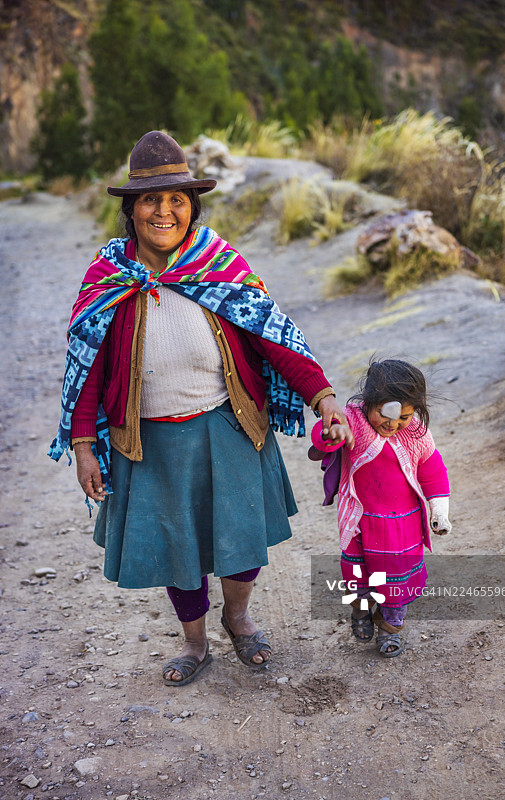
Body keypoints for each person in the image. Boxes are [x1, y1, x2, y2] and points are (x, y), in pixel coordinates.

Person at [49, 130, 353, 686]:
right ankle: (195, 643)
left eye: (177, 200)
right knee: (177, 550)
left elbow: (274, 337)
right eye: (150, 199)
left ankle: (238, 619)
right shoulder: (108, 277)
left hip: (227, 425)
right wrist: (83, 444)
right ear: (130, 209)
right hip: (151, 440)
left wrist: (322, 396)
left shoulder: (218, 263)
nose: (164, 211)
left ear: (192, 207)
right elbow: (88, 369)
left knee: (240, 542)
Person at [308, 359, 451, 657]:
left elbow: (433, 471)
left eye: (404, 416)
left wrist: (440, 511)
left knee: (397, 581)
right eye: (386, 413)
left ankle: (390, 627)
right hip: (362, 522)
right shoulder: (353, 422)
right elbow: (324, 437)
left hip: (403, 527)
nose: (393, 423)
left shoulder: (416, 434)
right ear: (368, 402)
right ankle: (360, 612)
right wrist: (332, 433)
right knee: (357, 577)